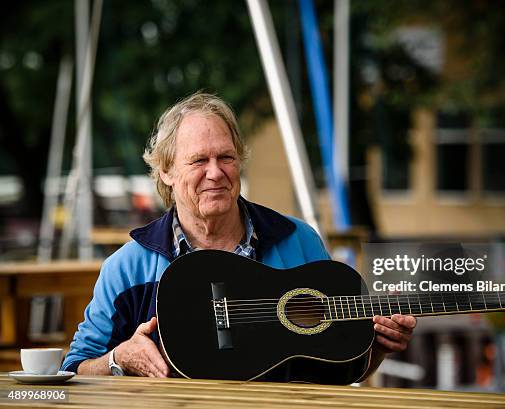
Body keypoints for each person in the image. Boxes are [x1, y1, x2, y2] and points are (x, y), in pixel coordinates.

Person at [61, 91, 417, 379]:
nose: (215, 173)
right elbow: (74, 371)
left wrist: (378, 348)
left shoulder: (299, 241)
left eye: (226, 157)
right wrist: (117, 360)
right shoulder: (127, 268)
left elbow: (337, 370)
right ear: (166, 171)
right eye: (199, 160)